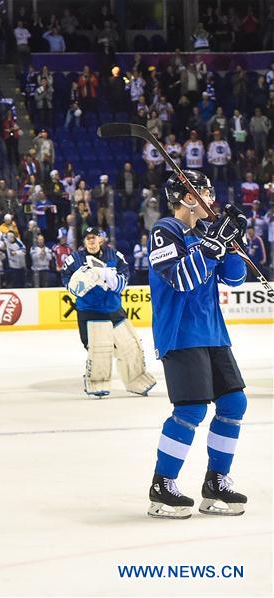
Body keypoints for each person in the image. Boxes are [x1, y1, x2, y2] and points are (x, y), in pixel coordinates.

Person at [145, 170, 250, 519]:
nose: (211, 195)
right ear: (189, 197)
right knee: (191, 410)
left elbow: (235, 278)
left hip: (212, 332)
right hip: (181, 332)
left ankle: (216, 482)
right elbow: (181, 280)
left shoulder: (206, 233)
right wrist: (211, 247)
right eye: (205, 190)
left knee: (234, 402)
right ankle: (163, 485)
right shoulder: (165, 230)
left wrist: (233, 242)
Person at [61, 227, 156, 398]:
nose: (91, 240)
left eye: (94, 237)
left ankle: (136, 379)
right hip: (89, 311)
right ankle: (97, 382)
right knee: (99, 349)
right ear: (84, 241)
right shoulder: (73, 260)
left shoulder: (115, 256)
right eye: (88, 238)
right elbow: (67, 282)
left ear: (100, 239)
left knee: (131, 346)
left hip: (113, 309)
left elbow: (124, 279)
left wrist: (106, 277)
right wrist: (78, 284)